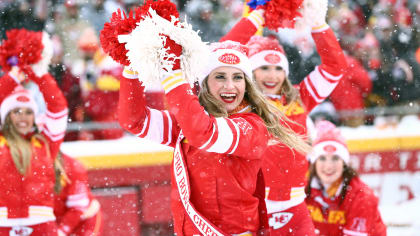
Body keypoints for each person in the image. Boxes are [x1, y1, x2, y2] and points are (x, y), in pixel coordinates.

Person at [105, 0, 309, 234]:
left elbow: (203, 134)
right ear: (205, 84)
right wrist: (133, 65)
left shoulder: (253, 126)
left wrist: (173, 71)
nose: (230, 86)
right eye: (220, 77)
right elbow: (135, 120)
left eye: (238, 77)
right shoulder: (192, 118)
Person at [220, 0, 348, 234]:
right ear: (250, 71)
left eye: (279, 68)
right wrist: (256, 18)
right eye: (264, 68)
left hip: (295, 207)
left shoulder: (300, 97)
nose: (272, 75)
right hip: (253, 207)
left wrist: (318, 25)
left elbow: (335, 68)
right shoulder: (238, 102)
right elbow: (221, 53)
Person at [0, 29, 68, 235]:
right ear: (6, 117)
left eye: (28, 111)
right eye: (16, 111)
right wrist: (13, 76)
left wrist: (39, 74)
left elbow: (58, 108)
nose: (23, 117)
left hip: (43, 225)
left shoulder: (46, 142)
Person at [305, 121, 387, 235]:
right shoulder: (303, 188)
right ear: (314, 162)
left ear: (344, 163)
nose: (328, 166)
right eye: (322, 158)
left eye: (335, 158)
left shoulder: (361, 196)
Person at [54, 152, 102, 236]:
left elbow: (78, 208)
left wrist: (61, 231)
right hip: (56, 222)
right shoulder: (32, 162)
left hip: (84, 221)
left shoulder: (72, 167)